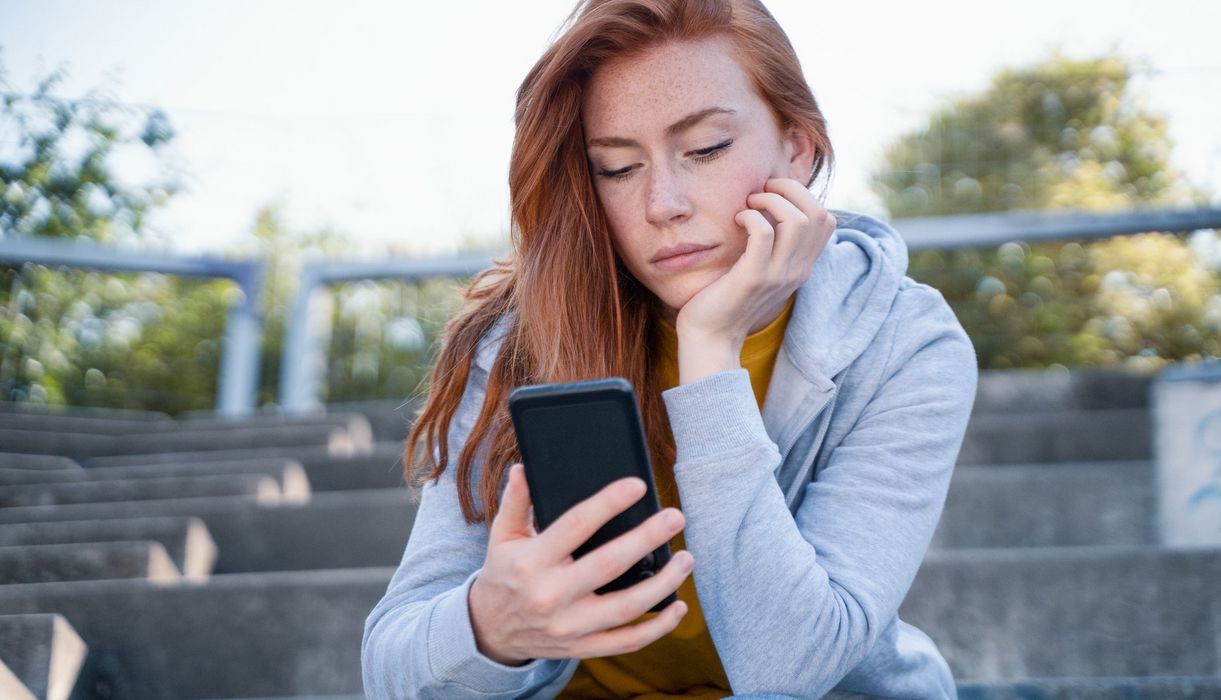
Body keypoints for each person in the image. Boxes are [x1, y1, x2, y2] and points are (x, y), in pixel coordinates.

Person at [361, 0, 978, 697]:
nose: (663, 203)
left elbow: (791, 667)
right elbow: (391, 670)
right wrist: (488, 628)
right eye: (618, 168)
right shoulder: (518, 340)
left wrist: (709, 349)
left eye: (706, 150)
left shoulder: (903, 341)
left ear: (798, 148)